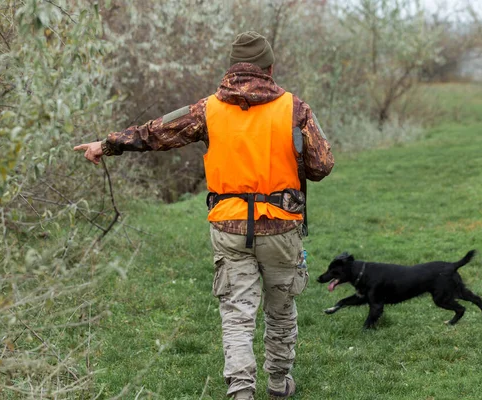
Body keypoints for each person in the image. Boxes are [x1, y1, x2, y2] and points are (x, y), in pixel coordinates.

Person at [74, 31, 334, 400]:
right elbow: (322, 165)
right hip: (281, 226)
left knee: (237, 314)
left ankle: (242, 392)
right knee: (281, 309)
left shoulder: (207, 109)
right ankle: (279, 384)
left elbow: (156, 132)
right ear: (269, 67)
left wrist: (107, 144)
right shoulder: (295, 108)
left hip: (228, 225)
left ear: (232, 68)